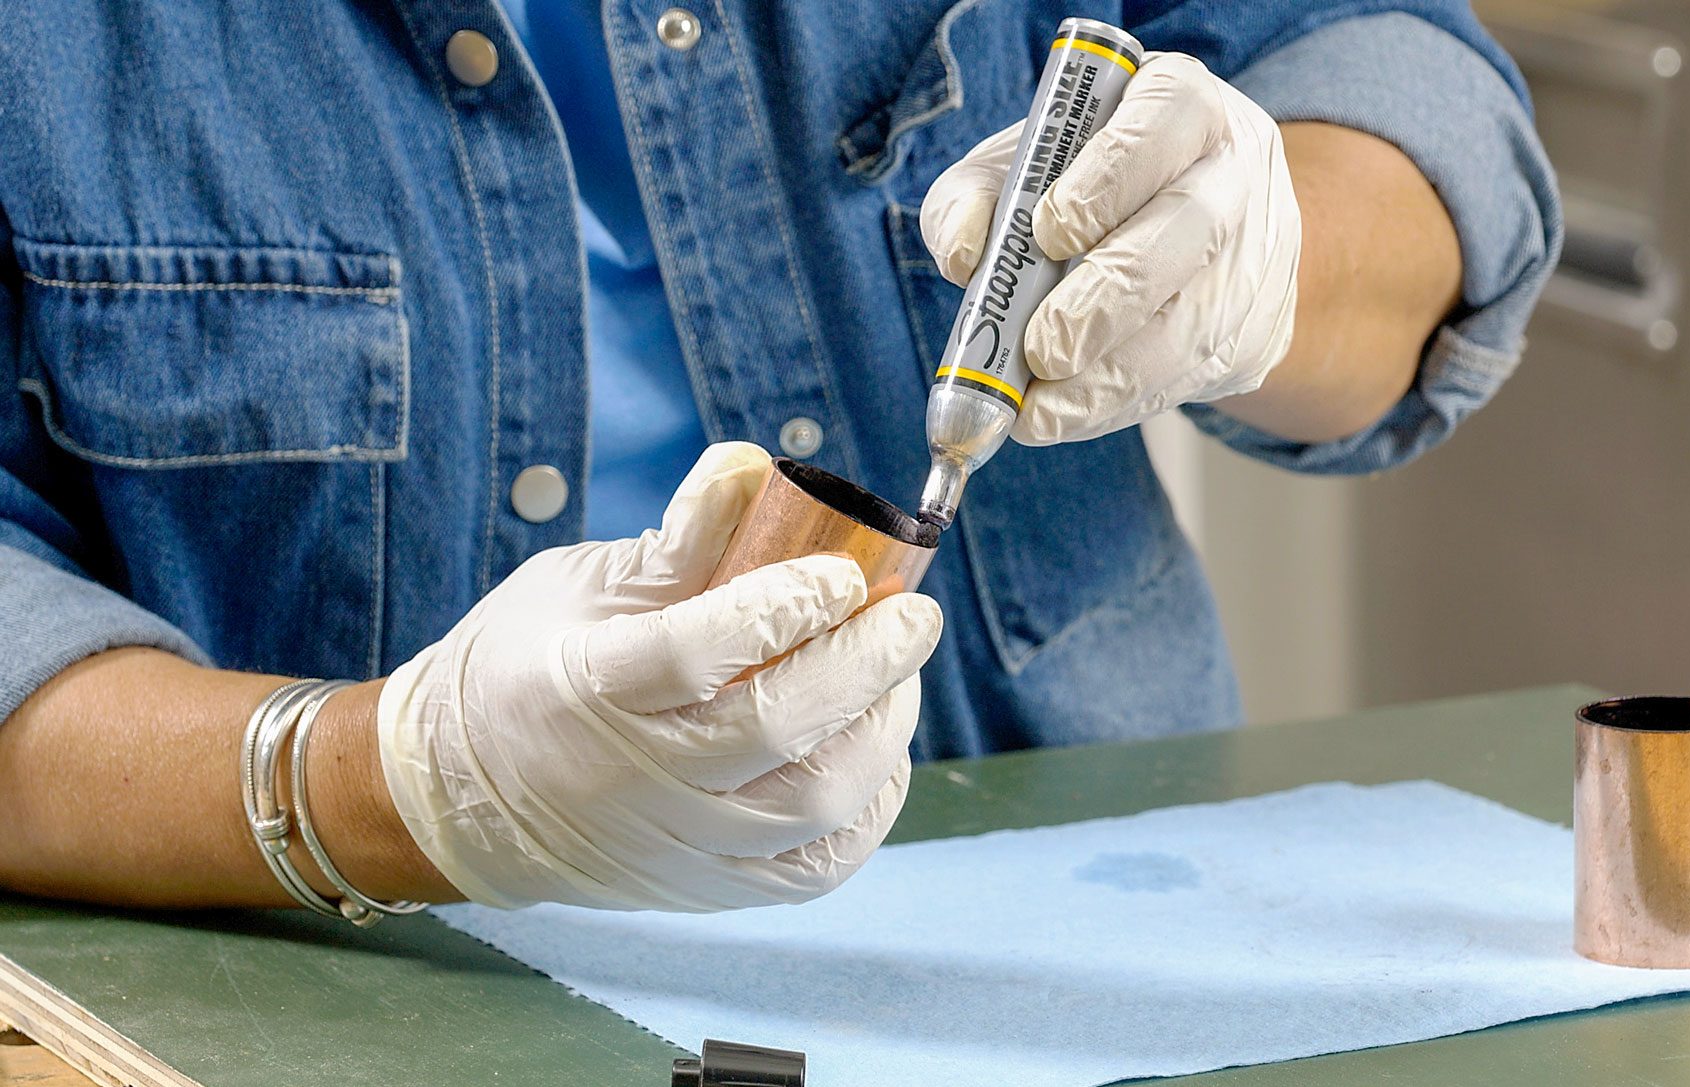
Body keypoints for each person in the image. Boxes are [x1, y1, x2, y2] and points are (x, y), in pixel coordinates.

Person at [0, 2, 1558, 916]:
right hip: (321, 995)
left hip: (1090, 937)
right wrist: (392, 778)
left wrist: (1262, 246)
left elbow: (1400, 96)